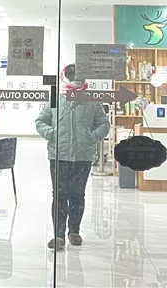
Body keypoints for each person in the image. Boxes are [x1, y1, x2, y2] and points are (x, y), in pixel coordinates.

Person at [35, 64, 110, 250]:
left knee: (77, 194)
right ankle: (58, 235)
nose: (76, 78)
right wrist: (51, 133)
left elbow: (104, 124)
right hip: (58, 154)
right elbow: (41, 121)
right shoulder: (56, 98)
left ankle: (74, 232)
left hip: (83, 156)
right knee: (59, 195)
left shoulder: (92, 100)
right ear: (65, 77)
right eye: (72, 75)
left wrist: (90, 137)